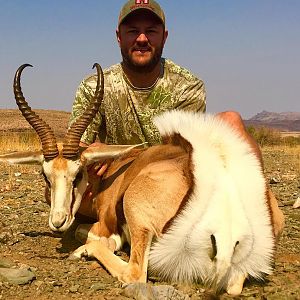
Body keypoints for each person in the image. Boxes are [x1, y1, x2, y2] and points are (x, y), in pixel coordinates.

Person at [69, 0, 284, 237]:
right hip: (113, 186)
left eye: (151, 31)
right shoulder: (94, 87)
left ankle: (256, 220)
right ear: (119, 37)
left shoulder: (187, 86)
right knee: (59, 187)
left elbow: (178, 154)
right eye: (133, 31)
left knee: (230, 121)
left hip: (163, 182)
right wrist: (87, 155)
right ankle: (124, 225)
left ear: (164, 37)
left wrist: (115, 154)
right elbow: (75, 147)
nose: (142, 39)